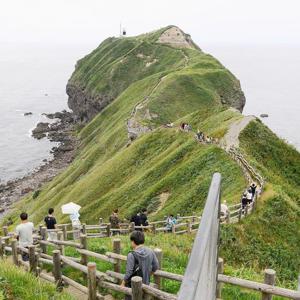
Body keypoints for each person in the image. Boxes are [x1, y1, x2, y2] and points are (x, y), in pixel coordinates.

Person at [121, 231, 159, 300]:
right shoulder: (150, 251)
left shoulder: (131, 254)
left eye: (131, 241)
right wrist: (148, 275)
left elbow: (129, 272)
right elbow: (156, 266)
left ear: (133, 241)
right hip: (146, 284)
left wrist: (123, 283)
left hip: (132, 285)